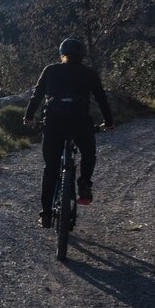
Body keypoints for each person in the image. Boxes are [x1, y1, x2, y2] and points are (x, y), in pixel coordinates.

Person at [23, 38, 114, 228]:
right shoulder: (89, 73)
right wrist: (109, 122)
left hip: (54, 124)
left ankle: (46, 215)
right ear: (82, 56)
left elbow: (37, 95)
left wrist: (29, 117)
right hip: (80, 124)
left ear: (62, 54)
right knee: (88, 153)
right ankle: (84, 183)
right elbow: (101, 99)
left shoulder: (50, 70)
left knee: (50, 169)